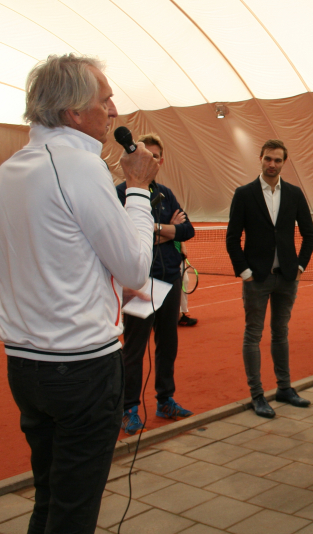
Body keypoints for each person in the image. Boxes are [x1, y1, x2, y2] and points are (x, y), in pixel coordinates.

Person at [0, 54, 159, 532]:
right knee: (73, 512)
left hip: (25, 364)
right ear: (73, 112)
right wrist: (138, 189)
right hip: (81, 367)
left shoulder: (10, 169)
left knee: (49, 499)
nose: (113, 109)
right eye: (104, 100)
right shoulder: (80, 168)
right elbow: (134, 268)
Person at [226, 139, 313, 419]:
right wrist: (245, 272)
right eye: (268, 159)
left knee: (281, 332)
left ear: (284, 162)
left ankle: (285, 388)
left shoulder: (294, 194)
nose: (272, 164)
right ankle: (257, 395)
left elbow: (309, 234)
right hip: (257, 278)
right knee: (253, 334)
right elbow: (232, 237)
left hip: (287, 278)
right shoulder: (244, 194)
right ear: (260, 159)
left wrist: (300, 267)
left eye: (277, 160)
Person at [117, 134, 195, 435]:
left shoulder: (166, 193)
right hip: (140, 284)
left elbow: (187, 230)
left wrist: (157, 229)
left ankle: (165, 400)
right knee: (135, 349)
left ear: (161, 161)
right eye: (146, 155)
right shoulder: (120, 194)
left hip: (171, 279)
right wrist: (167, 229)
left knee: (168, 344)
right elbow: (124, 237)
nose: (151, 160)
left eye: (156, 156)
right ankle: (129, 409)